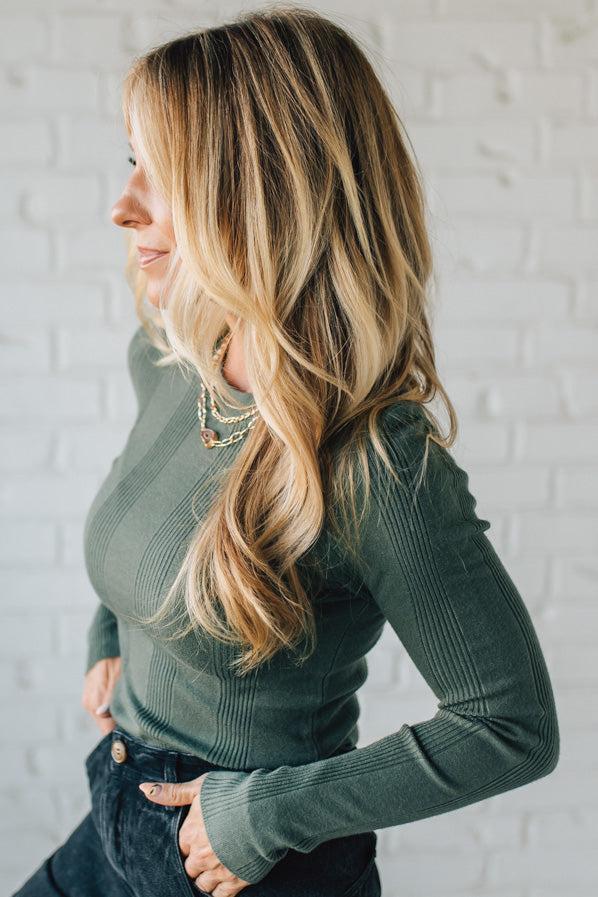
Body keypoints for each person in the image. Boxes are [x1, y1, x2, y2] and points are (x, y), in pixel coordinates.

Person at [12, 6, 560, 897]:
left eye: (166, 171)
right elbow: (151, 524)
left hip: (250, 865)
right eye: (131, 161)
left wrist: (264, 814)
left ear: (265, 193)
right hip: (116, 810)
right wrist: (112, 629)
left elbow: (511, 725)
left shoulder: (378, 463)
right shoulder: (167, 355)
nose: (124, 206)